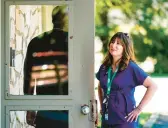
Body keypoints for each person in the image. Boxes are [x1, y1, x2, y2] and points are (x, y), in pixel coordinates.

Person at [96, 32, 158, 128]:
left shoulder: (131, 67)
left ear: (125, 48)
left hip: (125, 121)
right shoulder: (104, 67)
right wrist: (101, 105)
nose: (113, 45)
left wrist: (139, 109)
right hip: (106, 120)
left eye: (118, 43)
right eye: (112, 42)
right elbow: (101, 85)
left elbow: (153, 86)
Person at [24, 6, 68, 128]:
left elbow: (28, 78)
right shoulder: (73, 42)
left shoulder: (36, 42)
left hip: (45, 110)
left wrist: (29, 107)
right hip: (70, 111)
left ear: (52, 19)